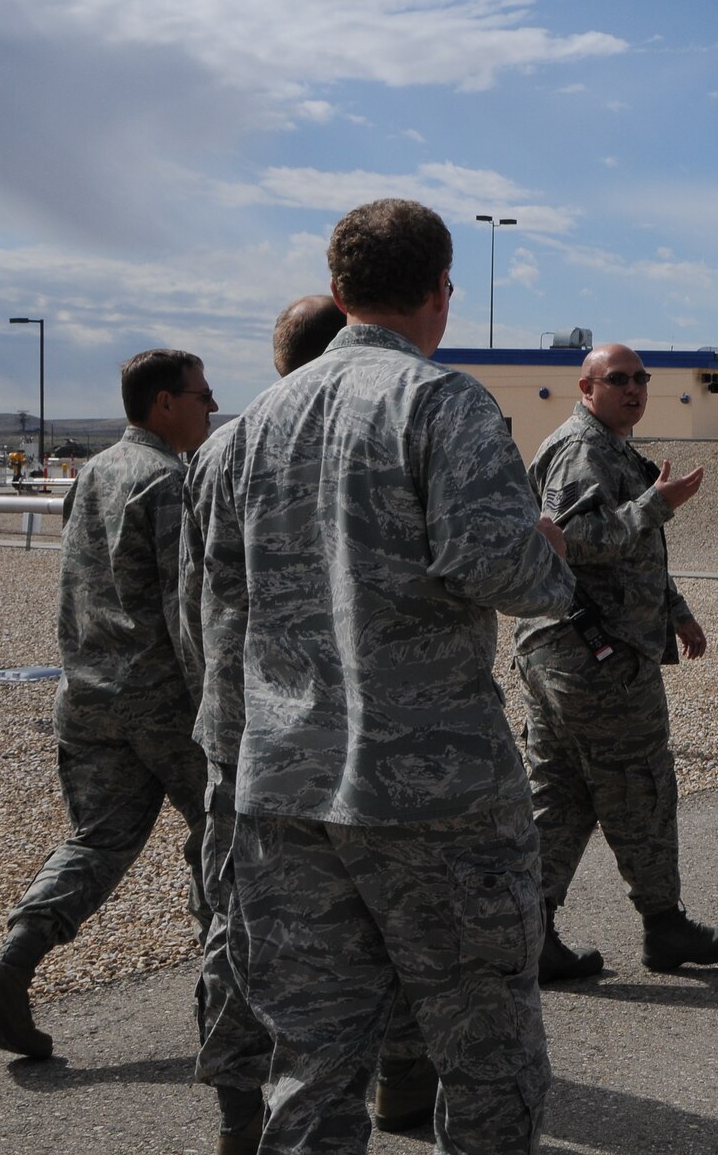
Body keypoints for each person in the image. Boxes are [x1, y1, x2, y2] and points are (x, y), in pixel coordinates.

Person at [213, 198, 575, 1154]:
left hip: (286, 787)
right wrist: (547, 550)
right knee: (487, 1057)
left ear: (340, 293)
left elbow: (217, 597)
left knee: (315, 1065)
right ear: (440, 295)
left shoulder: (252, 425)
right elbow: (499, 568)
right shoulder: (441, 404)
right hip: (434, 792)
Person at [178, 296, 431, 1154]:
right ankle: (397, 1081)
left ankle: (244, 1116)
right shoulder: (377, 429)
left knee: (251, 930)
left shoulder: (224, 449)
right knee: (385, 914)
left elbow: (194, 601)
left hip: (249, 734)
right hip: (351, 731)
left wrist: (213, 705)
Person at [0, 348, 220, 1060]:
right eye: (202, 396)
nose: (211, 406)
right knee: (223, 834)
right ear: (164, 403)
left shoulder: (96, 473)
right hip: (162, 702)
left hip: (88, 695)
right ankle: (228, 1009)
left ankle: (13, 965)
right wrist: (217, 711)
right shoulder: (166, 483)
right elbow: (187, 613)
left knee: (97, 842)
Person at [513, 342, 718, 981]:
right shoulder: (582, 449)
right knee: (638, 782)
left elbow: (632, 554)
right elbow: (574, 542)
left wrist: (675, 609)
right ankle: (663, 925)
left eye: (642, 378)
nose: (635, 389)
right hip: (593, 654)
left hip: (575, 648)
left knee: (565, 791)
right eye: (619, 379)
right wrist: (658, 504)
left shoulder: (607, 448)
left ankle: (531, 933)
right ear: (586, 387)